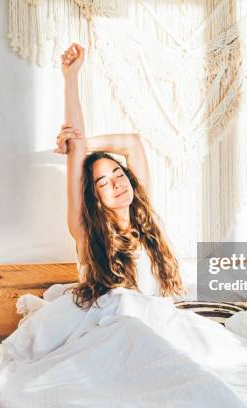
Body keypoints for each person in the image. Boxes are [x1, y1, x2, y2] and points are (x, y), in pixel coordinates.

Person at [50, 43, 186, 309]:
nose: (116, 183)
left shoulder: (144, 222)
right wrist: (71, 78)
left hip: (158, 323)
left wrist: (82, 146)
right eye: (103, 183)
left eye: (118, 173)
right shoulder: (86, 232)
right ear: (95, 198)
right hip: (117, 326)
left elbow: (132, 143)